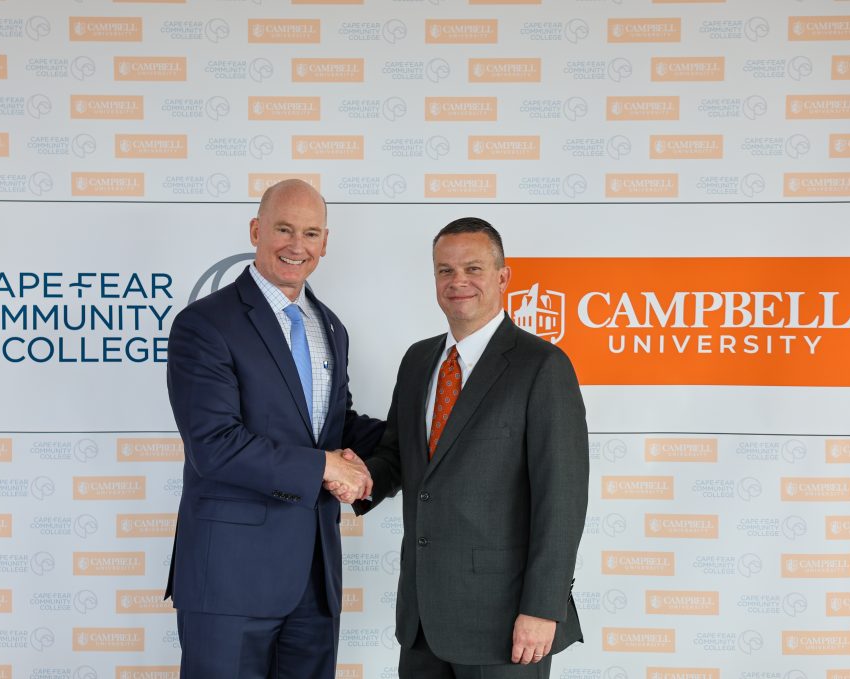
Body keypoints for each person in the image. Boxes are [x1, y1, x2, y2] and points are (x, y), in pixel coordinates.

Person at [330, 217, 589, 678]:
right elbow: (398, 457)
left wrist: (543, 608)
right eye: (445, 271)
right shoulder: (417, 360)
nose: (458, 282)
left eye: (473, 268)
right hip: (422, 620)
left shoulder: (542, 367)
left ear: (503, 277)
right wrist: (363, 478)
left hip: (506, 624)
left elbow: (562, 499)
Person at [165, 179, 383, 678]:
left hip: (314, 577)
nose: (296, 246)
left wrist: (426, 435)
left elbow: (333, 426)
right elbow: (215, 446)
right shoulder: (205, 324)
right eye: (283, 229)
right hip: (229, 580)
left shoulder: (330, 326)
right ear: (256, 230)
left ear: (325, 243)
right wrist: (324, 466)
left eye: (310, 233)